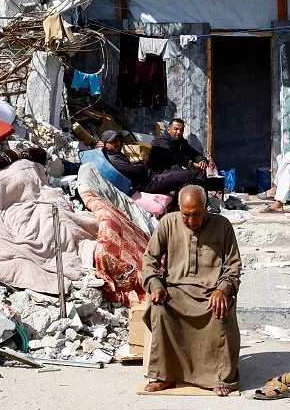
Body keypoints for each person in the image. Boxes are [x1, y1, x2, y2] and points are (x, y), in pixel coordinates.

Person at [141, 185, 241, 396]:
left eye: (196, 214)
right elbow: (149, 259)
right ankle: (164, 375)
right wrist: (156, 285)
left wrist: (223, 289)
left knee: (220, 311)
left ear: (206, 208)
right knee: (159, 309)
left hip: (211, 293)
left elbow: (233, 266)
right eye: (186, 215)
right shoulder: (168, 223)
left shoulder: (222, 226)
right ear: (179, 209)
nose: (191, 221)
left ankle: (219, 377)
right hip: (176, 292)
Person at [99, 130, 200, 196]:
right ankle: (192, 205)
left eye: (118, 140)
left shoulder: (114, 154)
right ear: (104, 143)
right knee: (188, 175)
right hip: (148, 183)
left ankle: (177, 202)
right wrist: (140, 164)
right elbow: (138, 169)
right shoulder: (114, 159)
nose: (118, 144)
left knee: (178, 170)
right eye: (113, 141)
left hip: (150, 176)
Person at [146, 119, 207, 191]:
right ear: (169, 130)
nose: (179, 132)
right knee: (185, 174)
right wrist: (191, 164)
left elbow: (194, 153)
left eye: (181, 130)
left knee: (200, 173)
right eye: (176, 129)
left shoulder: (181, 142)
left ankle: (201, 199)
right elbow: (174, 155)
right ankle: (180, 200)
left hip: (174, 169)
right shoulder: (162, 140)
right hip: (158, 174)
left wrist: (202, 161)